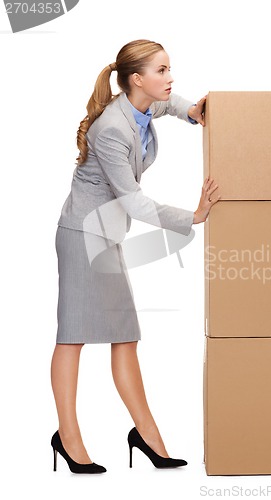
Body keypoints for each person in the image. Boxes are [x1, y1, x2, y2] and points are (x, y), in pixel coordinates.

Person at [50, 39, 220, 474]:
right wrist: (193, 216)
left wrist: (192, 112)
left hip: (105, 238)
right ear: (136, 79)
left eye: (169, 69)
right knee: (73, 338)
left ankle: (147, 436)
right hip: (83, 237)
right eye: (162, 71)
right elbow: (134, 202)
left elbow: (167, 106)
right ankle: (68, 439)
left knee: (125, 334)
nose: (171, 78)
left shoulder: (141, 106)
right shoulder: (111, 129)